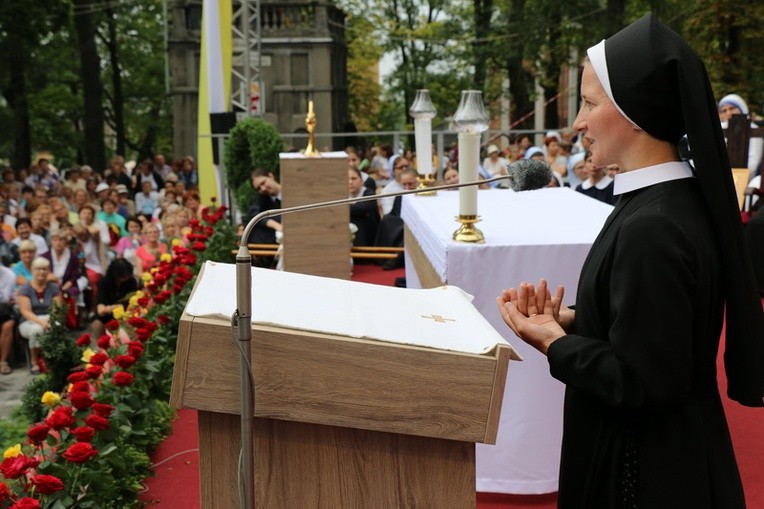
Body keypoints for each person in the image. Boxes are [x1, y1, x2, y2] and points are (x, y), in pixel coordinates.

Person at [496, 14, 763, 508]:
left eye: (590, 104)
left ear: (636, 111)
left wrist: (555, 342)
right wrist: (578, 321)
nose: (577, 122)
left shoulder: (653, 224)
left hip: (644, 470)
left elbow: (642, 379)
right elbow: (659, 333)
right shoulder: (665, 200)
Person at [17, 257, 61, 374]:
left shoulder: (54, 288)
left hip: (49, 318)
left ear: (48, 271)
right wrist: (41, 322)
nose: (41, 272)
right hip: (29, 321)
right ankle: (34, 362)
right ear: (32, 270)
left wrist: (49, 320)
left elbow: (57, 310)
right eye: (38, 269)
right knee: (36, 330)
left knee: (56, 327)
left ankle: (52, 360)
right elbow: (25, 312)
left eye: (44, 269)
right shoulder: (25, 289)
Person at [91, 258, 138, 337]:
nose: (126, 277)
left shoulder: (131, 282)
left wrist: (111, 308)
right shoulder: (104, 281)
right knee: (97, 323)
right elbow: (100, 303)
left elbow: (129, 301)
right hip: (106, 314)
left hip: (124, 314)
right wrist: (102, 307)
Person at [348, 167, 379, 247]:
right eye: (347, 179)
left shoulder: (369, 193)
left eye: (353, 179)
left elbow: (362, 208)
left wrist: (345, 208)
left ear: (361, 181)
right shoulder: (341, 196)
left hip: (368, 237)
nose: (350, 182)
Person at [0, 263, 17, 374]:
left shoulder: (9, 274)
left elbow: (4, 298)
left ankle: (3, 362)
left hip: (6, 311)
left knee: (8, 325)